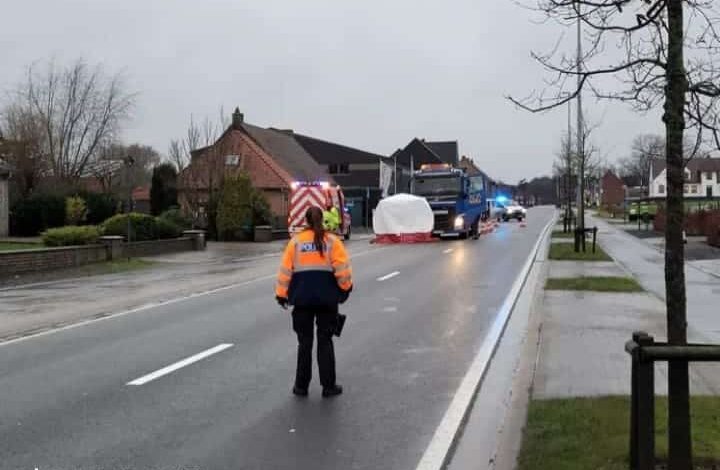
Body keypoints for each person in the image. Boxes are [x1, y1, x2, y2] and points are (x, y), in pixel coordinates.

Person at [276, 206, 353, 398]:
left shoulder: (295, 242)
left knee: (305, 343)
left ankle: (301, 387)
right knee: (325, 341)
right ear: (323, 220)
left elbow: (285, 271)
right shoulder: (332, 242)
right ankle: (328, 386)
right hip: (327, 301)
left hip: (301, 301)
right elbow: (342, 270)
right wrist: (345, 288)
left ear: (306, 221)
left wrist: (281, 294)